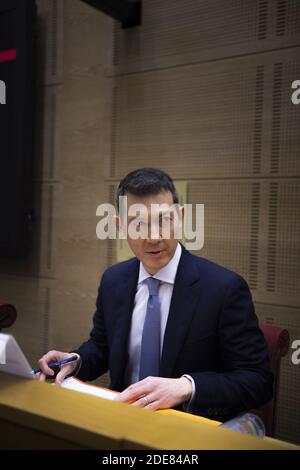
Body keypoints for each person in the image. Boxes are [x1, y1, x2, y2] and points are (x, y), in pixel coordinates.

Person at [37, 168, 273, 422]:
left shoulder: (224, 288)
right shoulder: (113, 280)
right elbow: (103, 346)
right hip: (120, 419)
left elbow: (257, 380)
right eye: (138, 224)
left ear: (180, 218)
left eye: (164, 220)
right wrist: (77, 361)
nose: (153, 237)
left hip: (186, 429)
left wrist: (187, 386)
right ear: (119, 226)